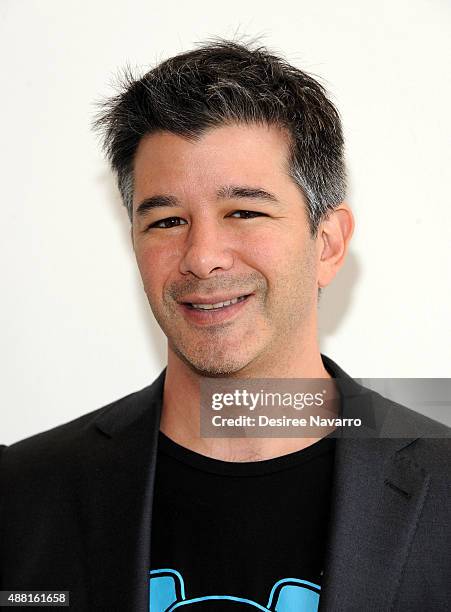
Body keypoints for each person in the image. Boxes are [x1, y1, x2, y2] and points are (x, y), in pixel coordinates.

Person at [0, 40, 449, 612]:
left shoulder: (444, 490)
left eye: (244, 211)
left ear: (328, 244)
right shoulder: (23, 494)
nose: (201, 256)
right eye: (166, 220)